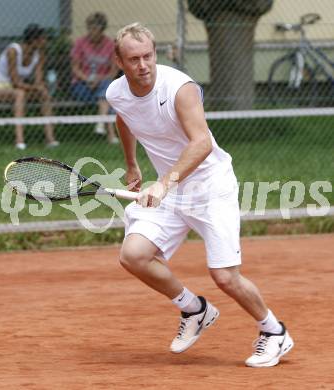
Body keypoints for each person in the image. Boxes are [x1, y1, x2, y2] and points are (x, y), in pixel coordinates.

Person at [106, 22, 294, 368]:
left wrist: (164, 184)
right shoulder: (117, 92)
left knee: (225, 277)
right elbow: (125, 118)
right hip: (171, 189)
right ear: (119, 60)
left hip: (210, 187)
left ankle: (274, 331)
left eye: (148, 56)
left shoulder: (179, 87)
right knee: (133, 255)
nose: (143, 65)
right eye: (134, 59)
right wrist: (132, 164)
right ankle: (194, 308)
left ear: (155, 54)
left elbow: (202, 142)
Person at [0, 24, 59, 150]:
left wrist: (41, 88)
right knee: (20, 94)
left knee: (44, 94)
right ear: (34, 40)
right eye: (43, 39)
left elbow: (38, 80)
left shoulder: (39, 54)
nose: (45, 42)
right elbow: (15, 82)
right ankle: (19, 140)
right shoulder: (13, 50)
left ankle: (50, 139)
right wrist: (37, 88)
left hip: (19, 88)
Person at [70, 12, 119, 144]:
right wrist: (88, 80)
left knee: (105, 92)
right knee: (107, 98)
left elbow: (114, 70)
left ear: (101, 29)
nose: (91, 32)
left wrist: (99, 79)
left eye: (94, 29)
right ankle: (108, 132)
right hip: (82, 85)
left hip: (103, 83)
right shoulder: (80, 43)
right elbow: (75, 68)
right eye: (89, 28)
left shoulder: (110, 44)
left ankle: (101, 125)